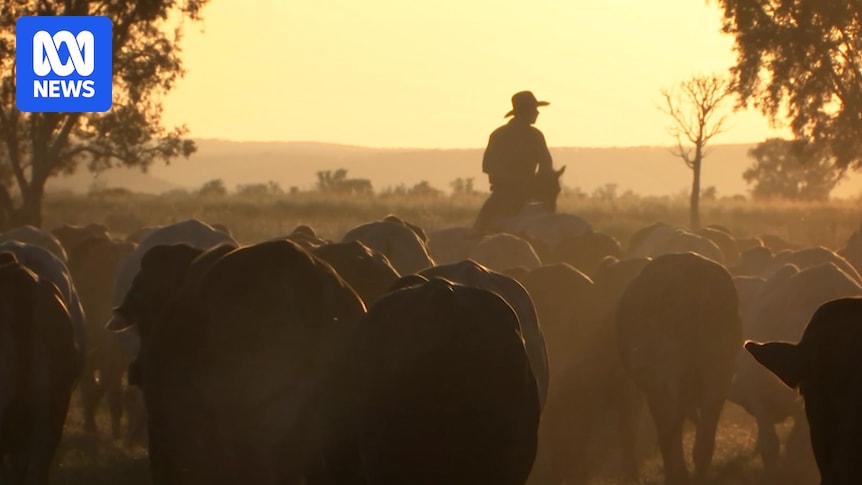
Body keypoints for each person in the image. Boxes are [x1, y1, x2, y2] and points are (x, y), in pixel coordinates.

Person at [474, 90, 556, 233]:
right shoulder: (535, 135)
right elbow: (546, 165)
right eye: (534, 109)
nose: (537, 113)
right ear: (527, 111)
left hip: (500, 194)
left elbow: (487, 166)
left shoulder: (498, 134)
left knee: (479, 230)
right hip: (526, 193)